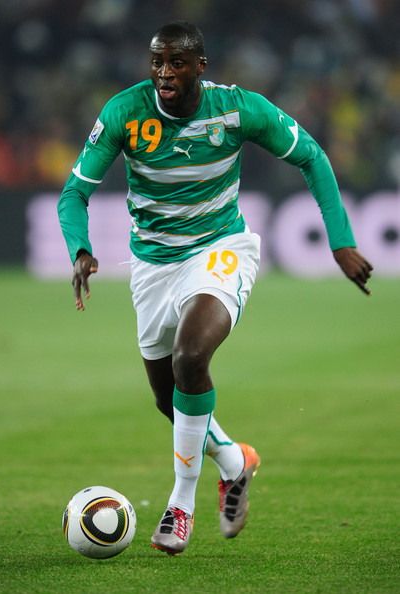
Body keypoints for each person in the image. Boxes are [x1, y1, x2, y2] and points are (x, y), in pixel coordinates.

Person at [58, 21, 373, 555]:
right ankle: (234, 460)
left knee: (191, 356)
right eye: (157, 62)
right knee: (170, 400)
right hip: (152, 265)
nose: (164, 73)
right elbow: (73, 194)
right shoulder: (123, 112)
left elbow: (312, 156)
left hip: (220, 249)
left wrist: (340, 241)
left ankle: (180, 505)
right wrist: (80, 250)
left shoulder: (238, 110)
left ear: (200, 67)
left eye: (176, 63)